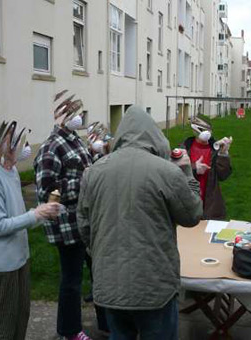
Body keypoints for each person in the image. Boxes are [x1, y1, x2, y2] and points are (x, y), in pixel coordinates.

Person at [76, 105, 203, 339]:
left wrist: (100, 252)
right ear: (154, 135)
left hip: (110, 284)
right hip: (155, 287)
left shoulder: (93, 172)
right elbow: (192, 215)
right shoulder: (168, 172)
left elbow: (84, 226)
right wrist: (187, 173)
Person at [0, 121, 61, 340]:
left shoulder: (10, 171)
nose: (18, 146)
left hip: (19, 258)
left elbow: (16, 215)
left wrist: (41, 213)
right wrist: (36, 214)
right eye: (12, 141)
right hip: (1, 264)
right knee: (2, 325)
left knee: (21, 316)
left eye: (19, 140)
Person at [33, 91, 97, 340]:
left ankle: (107, 323)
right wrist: (85, 182)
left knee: (98, 273)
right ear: (59, 115)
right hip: (67, 226)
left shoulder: (75, 140)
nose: (78, 117)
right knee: (71, 280)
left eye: (79, 113)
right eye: (72, 113)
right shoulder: (51, 147)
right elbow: (48, 190)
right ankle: (70, 331)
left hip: (85, 221)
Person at [183, 117, 232, 220]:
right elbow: (176, 174)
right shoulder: (185, 149)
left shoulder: (215, 148)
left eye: (208, 130)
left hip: (212, 204)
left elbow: (223, 175)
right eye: (202, 129)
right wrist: (194, 168)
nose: (207, 133)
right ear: (194, 130)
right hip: (189, 203)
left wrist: (223, 154)